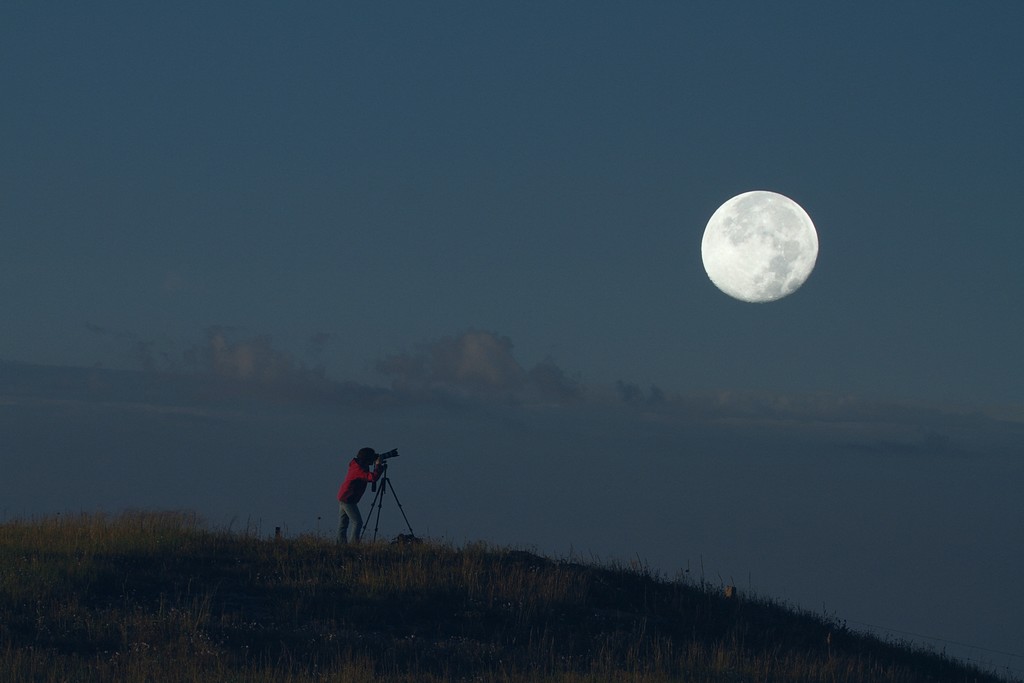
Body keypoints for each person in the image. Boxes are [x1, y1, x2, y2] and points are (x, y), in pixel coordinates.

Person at [337, 447, 383, 544]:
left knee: (343, 523)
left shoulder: (357, 465)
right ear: (367, 459)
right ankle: (353, 544)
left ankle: (340, 545)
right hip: (348, 499)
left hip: (345, 496)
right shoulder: (359, 469)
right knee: (357, 522)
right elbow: (372, 478)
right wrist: (378, 466)